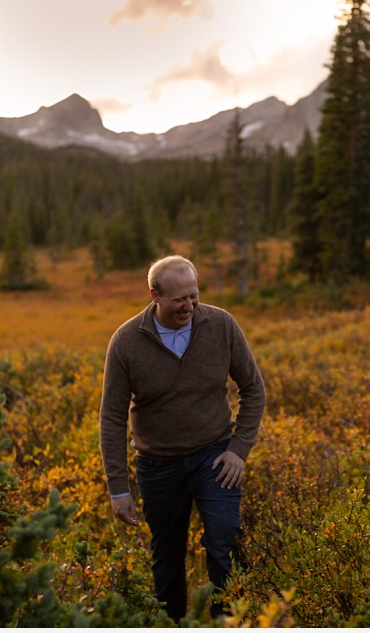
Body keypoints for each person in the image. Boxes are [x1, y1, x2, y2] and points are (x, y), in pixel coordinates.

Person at [98, 255, 266, 621]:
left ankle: (231, 621)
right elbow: (111, 418)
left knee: (224, 542)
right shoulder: (126, 342)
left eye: (195, 295)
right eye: (179, 300)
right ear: (154, 295)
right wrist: (118, 488)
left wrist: (238, 450)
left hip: (215, 456)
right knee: (167, 556)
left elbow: (253, 389)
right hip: (157, 465)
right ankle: (172, 623)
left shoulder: (221, 324)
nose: (189, 305)